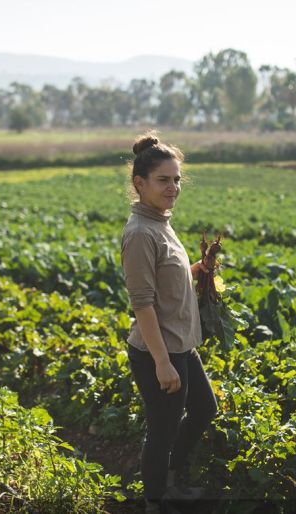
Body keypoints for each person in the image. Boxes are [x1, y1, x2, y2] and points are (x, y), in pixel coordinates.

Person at [121, 131, 218, 514]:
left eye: (177, 179)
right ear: (139, 183)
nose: (173, 187)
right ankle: (155, 502)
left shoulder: (161, 221)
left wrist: (199, 270)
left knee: (204, 409)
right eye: (164, 180)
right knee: (161, 430)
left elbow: (169, 280)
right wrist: (162, 362)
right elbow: (142, 304)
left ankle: (174, 479)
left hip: (181, 344)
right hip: (158, 350)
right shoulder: (141, 233)